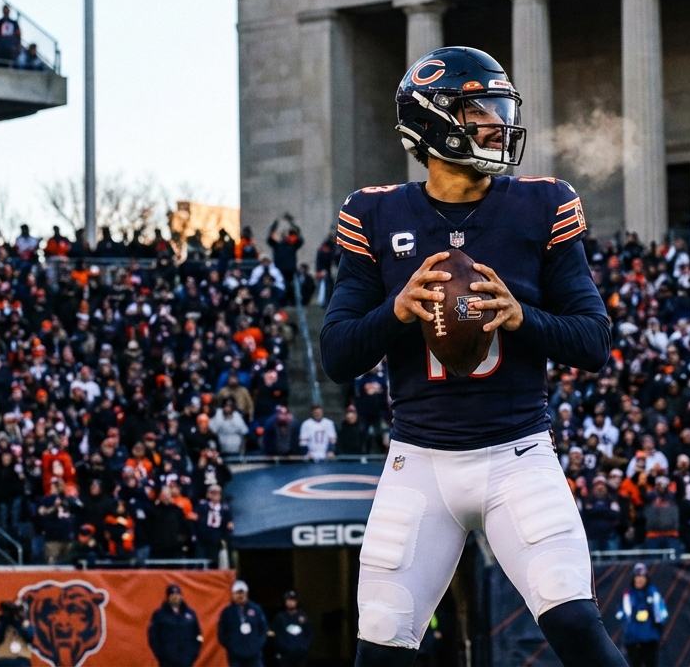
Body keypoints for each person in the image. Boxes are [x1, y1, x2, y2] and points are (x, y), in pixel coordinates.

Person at [321, 46, 624, 667]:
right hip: (419, 463)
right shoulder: (375, 213)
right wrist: (397, 309)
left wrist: (521, 317)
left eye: (499, 106)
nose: (495, 121)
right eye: (479, 107)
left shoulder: (541, 203)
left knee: (577, 627)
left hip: (518, 454)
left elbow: (594, 340)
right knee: (381, 645)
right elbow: (337, 355)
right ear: (431, 122)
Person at [614, 563, 667, 667]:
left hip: (650, 638)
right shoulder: (627, 594)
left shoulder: (653, 592)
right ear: (633, 578)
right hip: (632, 639)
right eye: (637, 576)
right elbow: (620, 613)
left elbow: (662, 614)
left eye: (642, 576)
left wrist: (653, 614)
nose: (640, 579)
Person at [148, 584, 204, 667]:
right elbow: (153, 637)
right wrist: (161, 655)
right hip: (167, 662)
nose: (175, 597)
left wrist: (194, 653)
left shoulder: (190, 613)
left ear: (181, 596)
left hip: (186, 660)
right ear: (168, 597)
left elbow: (198, 634)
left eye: (177, 594)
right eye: (172, 594)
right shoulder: (160, 614)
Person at [218, 580, 268, 667]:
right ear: (232, 594)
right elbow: (222, 632)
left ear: (246, 593)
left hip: (254, 656)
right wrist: (232, 647)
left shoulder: (256, 609)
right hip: (236, 657)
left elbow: (263, 629)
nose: (240, 595)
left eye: (242, 592)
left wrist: (257, 645)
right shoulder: (227, 612)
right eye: (237, 593)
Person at [270, 591, 312, 667]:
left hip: (300, 655)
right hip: (285, 655)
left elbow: (309, 633)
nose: (290, 602)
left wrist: (304, 648)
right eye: (288, 600)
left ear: (296, 601)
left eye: (292, 600)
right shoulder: (280, 618)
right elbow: (274, 634)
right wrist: (282, 648)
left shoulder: (303, 616)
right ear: (285, 602)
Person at [0, 599, 35, 667]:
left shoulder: (27, 625)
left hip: (21, 660)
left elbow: (29, 636)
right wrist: (6, 621)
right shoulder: (3, 624)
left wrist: (18, 621)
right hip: (3, 659)